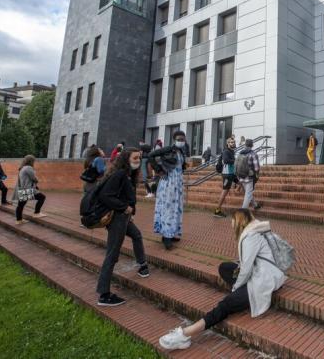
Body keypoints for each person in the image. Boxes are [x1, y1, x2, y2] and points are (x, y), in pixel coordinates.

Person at [159, 209, 286, 351]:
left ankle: (185, 334)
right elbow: (249, 263)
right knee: (225, 268)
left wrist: (236, 287)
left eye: (233, 220)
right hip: (265, 273)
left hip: (264, 281)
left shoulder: (251, 237)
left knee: (226, 304)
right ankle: (241, 294)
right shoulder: (256, 230)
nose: (231, 223)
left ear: (239, 221)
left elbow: (246, 271)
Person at [96, 147, 150, 306]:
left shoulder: (128, 175)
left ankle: (142, 265)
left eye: (139, 158)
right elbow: (105, 195)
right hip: (118, 219)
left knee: (137, 235)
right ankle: (104, 294)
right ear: (126, 159)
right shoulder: (119, 174)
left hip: (125, 218)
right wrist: (123, 207)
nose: (138, 161)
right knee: (112, 254)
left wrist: (129, 211)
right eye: (135, 158)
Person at [149, 131, 186, 250]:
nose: (182, 141)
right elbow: (151, 155)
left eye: (183, 139)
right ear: (174, 139)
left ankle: (171, 232)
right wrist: (159, 170)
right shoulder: (168, 149)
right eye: (179, 139)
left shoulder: (181, 151)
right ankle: (166, 237)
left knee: (176, 209)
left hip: (178, 183)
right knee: (168, 208)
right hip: (169, 182)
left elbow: (180, 165)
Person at [13, 155, 47, 224]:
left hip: (22, 188)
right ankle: (36, 213)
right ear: (31, 161)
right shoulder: (29, 168)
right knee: (42, 197)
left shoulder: (22, 168)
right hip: (27, 189)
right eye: (34, 161)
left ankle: (18, 220)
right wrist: (37, 180)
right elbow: (34, 178)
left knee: (21, 205)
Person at [215, 136, 238, 218]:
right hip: (227, 174)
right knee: (224, 192)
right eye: (231, 142)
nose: (233, 143)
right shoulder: (226, 151)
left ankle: (238, 191)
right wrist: (235, 161)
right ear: (227, 144)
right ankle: (217, 210)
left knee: (241, 183)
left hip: (232, 173)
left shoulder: (232, 151)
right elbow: (225, 160)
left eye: (234, 142)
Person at [237, 139, 261, 211]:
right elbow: (257, 168)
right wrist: (257, 175)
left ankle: (255, 205)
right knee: (248, 194)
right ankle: (242, 212)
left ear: (245, 145)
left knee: (248, 192)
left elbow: (237, 165)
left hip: (240, 176)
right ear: (252, 145)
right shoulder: (253, 154)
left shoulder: (240, 153)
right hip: (249, 177)